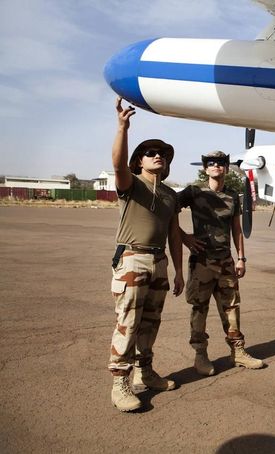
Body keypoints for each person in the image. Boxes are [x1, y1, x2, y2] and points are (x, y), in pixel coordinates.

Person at [108, 96, 185, 412]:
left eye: (163, 155)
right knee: (128, 321)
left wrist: (179, 271)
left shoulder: (170, 195)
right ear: (139, 160)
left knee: (151, 322)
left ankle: (146, 371)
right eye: (151, 153)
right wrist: (123, 128)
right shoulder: (131, 184)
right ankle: (120, 383)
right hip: (132, 259)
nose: (158, 157)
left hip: (159, 261)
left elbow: (175, 234)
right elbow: (117, 164)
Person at [177, 150, 264, 376]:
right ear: (205, 168)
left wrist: (241, 258)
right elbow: (167, 212)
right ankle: (200, 355)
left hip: (226, 261)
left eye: (221, 163)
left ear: (226, 168)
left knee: (231, 308)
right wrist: (184, 237)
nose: (217, 166)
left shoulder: (233, 196)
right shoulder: (194, 192)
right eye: (212, 163)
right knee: (200, 308)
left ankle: (238, 352)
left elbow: (236, 229)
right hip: (202, 262)